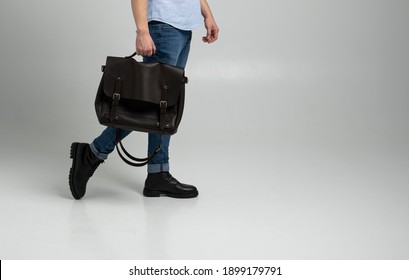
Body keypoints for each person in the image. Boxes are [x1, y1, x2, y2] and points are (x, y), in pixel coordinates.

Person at [69, 0, 219, 199]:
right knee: (149, 106)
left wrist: (207, 14)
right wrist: (142, 30)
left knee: (163, 108)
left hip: (183, 28)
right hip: (164, 27)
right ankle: (92, 154)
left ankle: (157, 174)